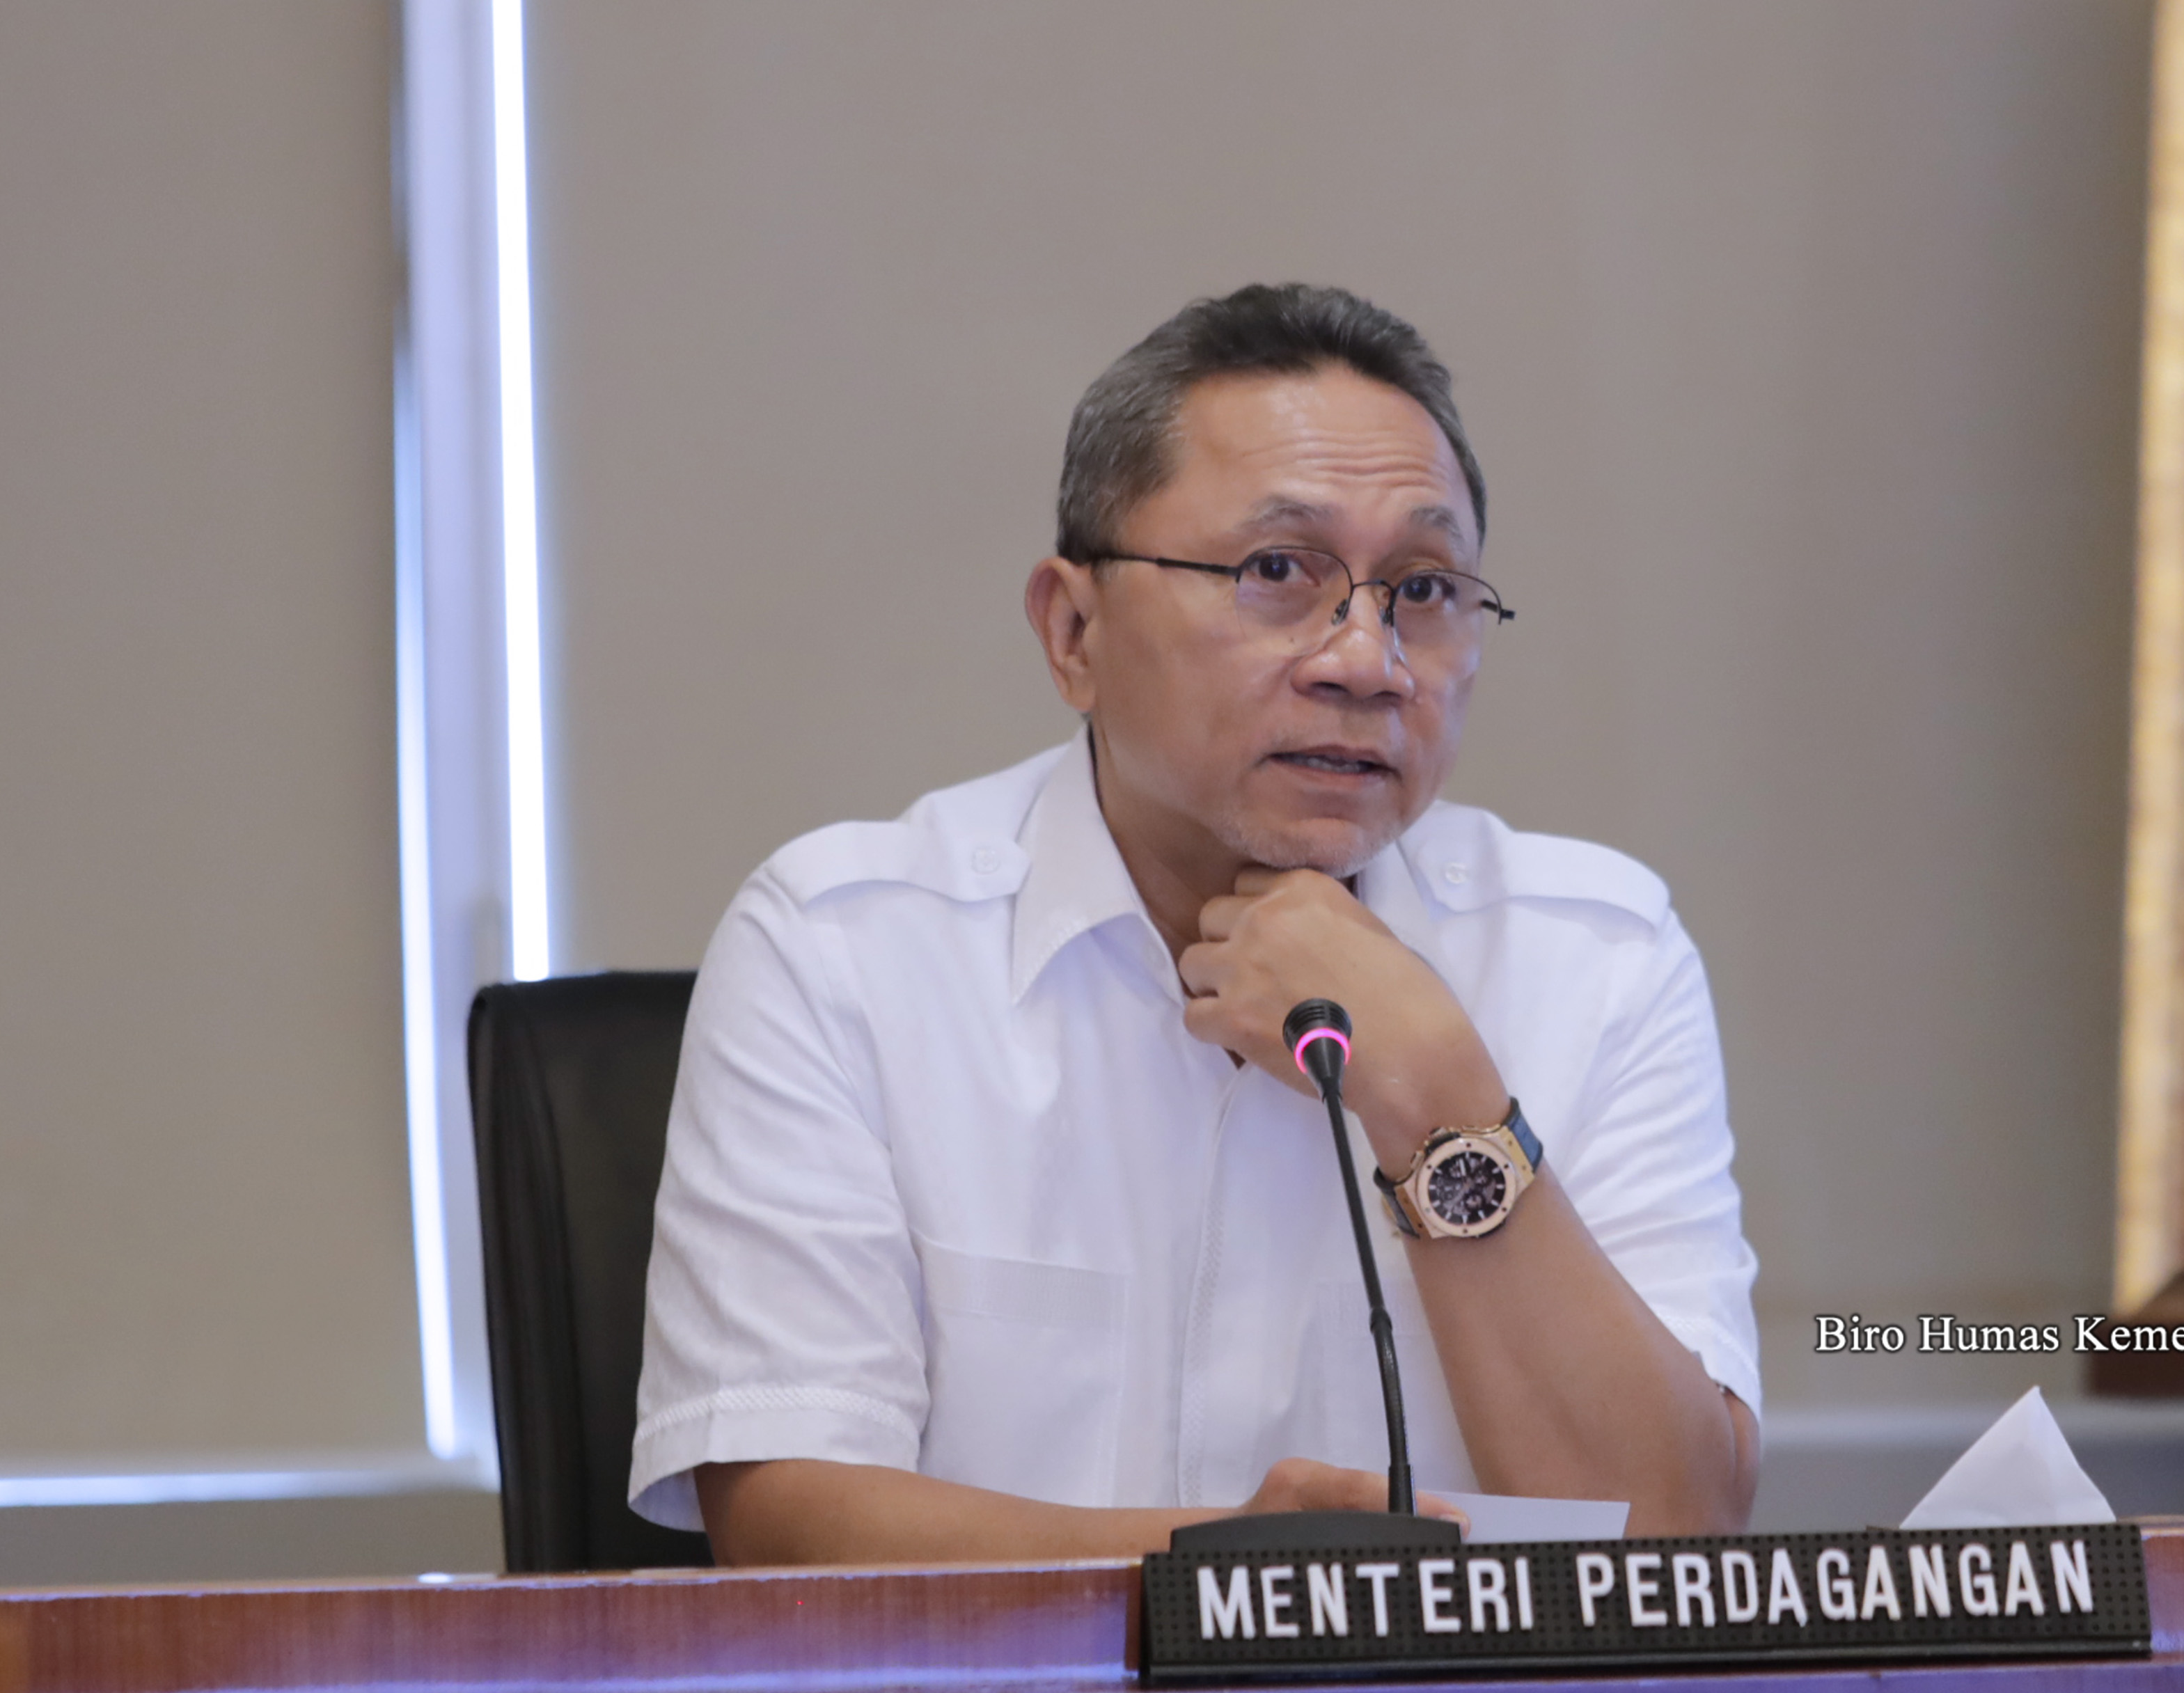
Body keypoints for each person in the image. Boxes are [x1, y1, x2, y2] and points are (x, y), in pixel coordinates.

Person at [629, 283, 1760, 1565]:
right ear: (1074, 631)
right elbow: (792, 1528)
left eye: (1425, 588)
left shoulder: (1597, 958)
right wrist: (1226, 1574)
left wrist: (1440, 1101)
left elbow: (1673, 1543)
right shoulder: (846, 949)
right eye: (1277, 571)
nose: (1366, 661)